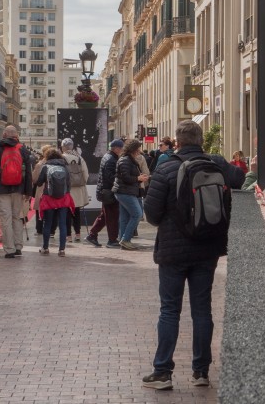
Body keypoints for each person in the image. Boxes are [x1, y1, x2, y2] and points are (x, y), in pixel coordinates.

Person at [141, 120, 238, 390]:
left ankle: (162, 373)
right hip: (207, 248)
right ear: (200, 140)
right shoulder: (215, 166)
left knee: (170, 310)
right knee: (202, 309)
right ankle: (201, 371)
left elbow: (151, 213)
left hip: (173, 251)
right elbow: (231, 197)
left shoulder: (166, 167)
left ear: (178, 141)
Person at [0, 125, 33, 259]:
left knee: (5, 218)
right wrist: (28, 191)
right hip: (18, 188)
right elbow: (28, 172)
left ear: (5, 135)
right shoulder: (22, 149)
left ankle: (9, 249)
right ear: (16, 135)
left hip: (1, 188)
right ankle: (18, 246)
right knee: (17, 217)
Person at [35, 148, 75, 256]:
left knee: (47, 223)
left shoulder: (45, 167)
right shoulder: (65, 167)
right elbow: (69, 184)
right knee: (62, 224)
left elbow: (38, 183)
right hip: (63, 198)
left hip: (49, 198)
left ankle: (45, 248)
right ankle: (62, 250)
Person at [86, 139, 124, 248]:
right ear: (116, 148)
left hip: (105, 191)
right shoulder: (111, 159)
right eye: (121, 148)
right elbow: (110, 177)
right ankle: (112, 240)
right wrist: (121, 179)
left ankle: (92, 235)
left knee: (104, 216)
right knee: (112, 217)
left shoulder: (108, 157)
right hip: (108, 192)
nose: (122, 150)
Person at [113, 139, 147, 250]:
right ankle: (126, 239)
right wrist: (138, 178)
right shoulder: (126, 160)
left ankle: (123, 240)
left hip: (125, 191)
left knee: (125, 217)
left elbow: (126, 176)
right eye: (137, 149)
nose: (139, 151)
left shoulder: (127, 159)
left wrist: (139, 177)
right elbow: (125, 177)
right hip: (125, 191)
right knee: (137, 214)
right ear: (133, 149)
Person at [60, 138, 89, 242]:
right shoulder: (79, 158)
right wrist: (82, 183)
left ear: (63, 147)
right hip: (78, 190)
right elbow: (85, 174)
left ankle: (68, 235)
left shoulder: (61, 158)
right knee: (77, 212)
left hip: (66, 190)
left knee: (67, 213)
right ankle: (77, 234)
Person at [31, 145, 53, 236]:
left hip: (41, 189)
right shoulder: (55, 163)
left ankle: (39, 229)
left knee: (39, 209)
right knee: (51, 209)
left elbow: (34, 179)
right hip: (52, 189)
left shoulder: (40, 164)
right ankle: (51, 230)